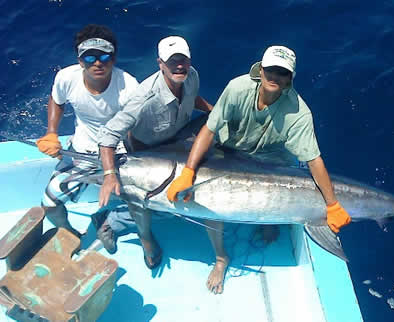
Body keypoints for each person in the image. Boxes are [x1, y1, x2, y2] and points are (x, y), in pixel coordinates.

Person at [166, 45, 352, 294]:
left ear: (290, 79)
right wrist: (188, 171)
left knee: (273, 200)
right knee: (210, 201)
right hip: (229, 150)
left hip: (271, 158)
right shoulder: (237, 88)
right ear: (260, 71)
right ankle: (221, 258)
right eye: (271, 70)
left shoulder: (299, 112)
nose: (275, 76)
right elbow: (209, 130)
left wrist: (332, 204)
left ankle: (268, 221)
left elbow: (313, 160)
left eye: (282, 73)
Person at [96, 36, 212, 269]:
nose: (179, 65)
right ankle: (122, 226)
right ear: (160, 63)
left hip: (177, 140)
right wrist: (109, 174)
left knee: (216, 124)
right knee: (159, 204)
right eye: (172, 61)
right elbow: (108, 136)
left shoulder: (192, 75)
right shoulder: (143, 98)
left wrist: (213, 110)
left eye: (183, 59)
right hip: (147, 152)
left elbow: (192, 98)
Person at [36, 24, 138, 237]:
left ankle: (112, 221)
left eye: (104, 57)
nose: (98, 63)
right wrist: (51, 132)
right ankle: (69, 235)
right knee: (50, 205)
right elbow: (56, 101)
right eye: (90, 57)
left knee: (149, 200)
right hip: (82, 154)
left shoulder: (129, 86)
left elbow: (134, 130)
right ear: (80, 60)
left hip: (120, 156)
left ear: (114, 58)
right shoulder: (66, 78)